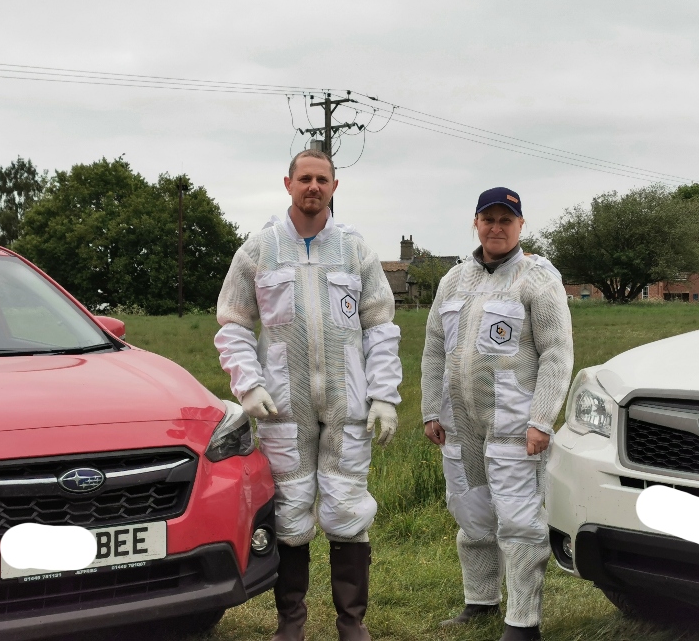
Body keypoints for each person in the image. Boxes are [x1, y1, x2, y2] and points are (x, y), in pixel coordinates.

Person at [214, 149, 402, 641]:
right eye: (305, 179)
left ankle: (351, 623)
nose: (313, 187)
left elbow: (380, 325)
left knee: (346, 506)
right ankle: (290, 623)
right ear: (288, 184)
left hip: (347, 405)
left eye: (322, 179)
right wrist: (249, 385)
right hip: (283, 406)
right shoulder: (259, 250)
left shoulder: (355, 251)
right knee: (291, 511)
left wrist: (384, 395)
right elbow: (233, 324)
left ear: (334, 187)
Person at [421, 187, 573, 641]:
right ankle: (480, 601)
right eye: (489, 219)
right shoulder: (453, 281)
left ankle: (522, 623)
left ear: (521, 225)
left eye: (506, 219)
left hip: (514, 425)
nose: (497, 227)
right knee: (472, 516)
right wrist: (431, 409)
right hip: (459, 423)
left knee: (520, 521)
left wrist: (542, 419)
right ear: (476, 223)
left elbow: (557, 354)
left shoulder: (537, 279)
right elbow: (433, 350)